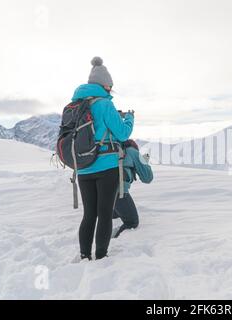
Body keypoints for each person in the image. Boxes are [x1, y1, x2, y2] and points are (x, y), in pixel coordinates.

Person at [73, 57, 134, 261]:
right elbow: (123, 134)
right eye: (110, 86)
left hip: (82, 167)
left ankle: (84, 255)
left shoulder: (76, 104)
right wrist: (129, 118)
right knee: (105, 213)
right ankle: (101, 256)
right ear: (105, 85)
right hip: (106, 166)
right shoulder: (105, 105)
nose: (111, 89)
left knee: (89, 215)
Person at [112, 139, 153, 238]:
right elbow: (147, 178)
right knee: (132, 222)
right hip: (118, 192)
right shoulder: (132, 151)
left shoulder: (111, 150)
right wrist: (144, 160)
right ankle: (113, 241)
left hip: (99, 191)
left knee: (116, 214)